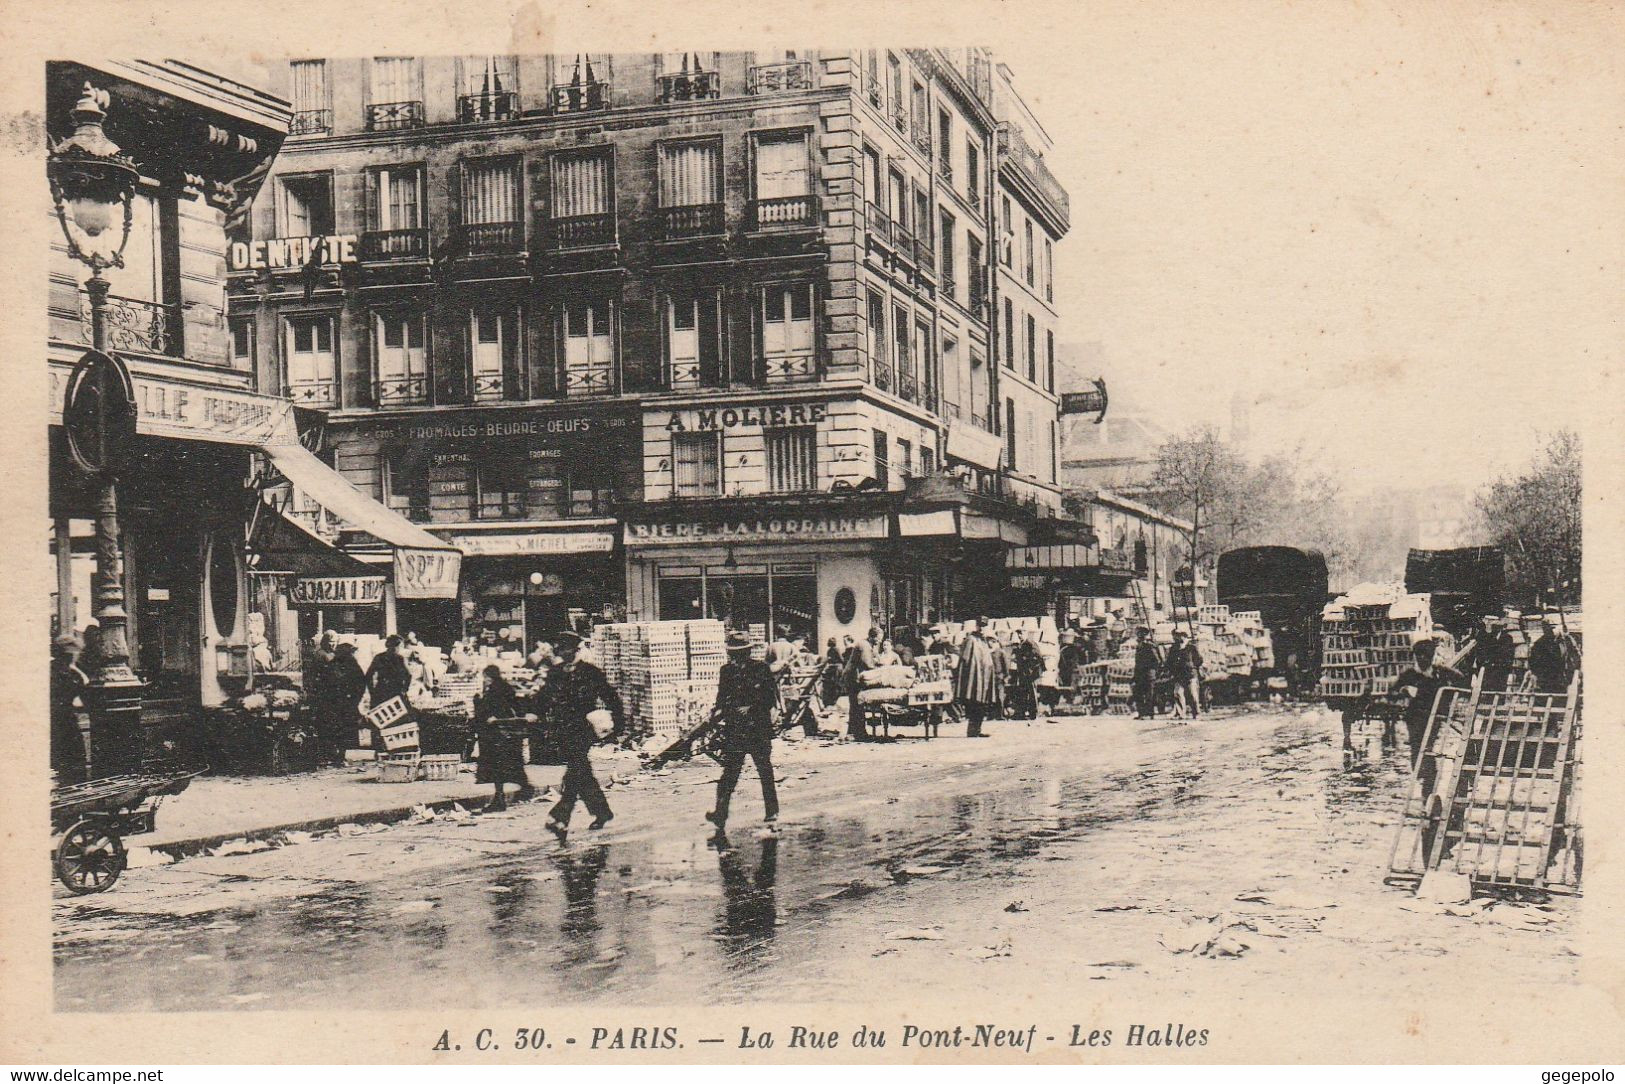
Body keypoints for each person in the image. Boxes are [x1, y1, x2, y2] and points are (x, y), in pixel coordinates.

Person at [544, 630, 625, 838]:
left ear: (575, 649)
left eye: (564, 647)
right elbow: (542, 698)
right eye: (558, 647)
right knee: (581, 772)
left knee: (575, 769)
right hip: (562, 728)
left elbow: (611, 697)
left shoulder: (589, 672)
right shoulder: (556, 672)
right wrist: (533, 713)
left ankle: (560, 816)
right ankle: (602, 812)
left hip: (581, 727)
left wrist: (618, 724)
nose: (560, 650)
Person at [706, 631, 782, 835]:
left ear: (747, 652)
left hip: (758, 729)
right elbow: (722, 698)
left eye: (740, 654)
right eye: (733, 654)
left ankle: (772, 811)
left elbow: (770, 699)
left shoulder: (761, 669)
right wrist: (715, 713)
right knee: (729, 774)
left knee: (765, 771)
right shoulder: (726, 671)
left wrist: (751, 708)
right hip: (736, 731)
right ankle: (720, 814)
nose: (736, 658)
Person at [468, 664, 535, 811]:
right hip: (509, 733)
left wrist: (478, 701)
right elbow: (516, 706)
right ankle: (519, 790)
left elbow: (488, 711)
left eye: (485, 677)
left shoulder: (493, 690)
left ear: (489, 677)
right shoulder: (506, 688)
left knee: (498, 768)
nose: (484, 680)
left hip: (497, 734)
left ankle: (502, 799)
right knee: (512, 766)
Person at [1391, 637, 1466, 767]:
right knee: (1417, 745)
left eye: (1427, 656)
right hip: (1414, 716)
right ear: (1415, 656)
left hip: (1434, 715)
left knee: (1427, 746)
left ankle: (1428, 777)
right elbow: (1393, 692)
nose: (1423, 659)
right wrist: (1405, 690)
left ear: (1432, 656)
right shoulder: (1409, 674)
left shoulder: (1440, 672)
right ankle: (1422, 773)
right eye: (1419, 655)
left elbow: (1461, 680)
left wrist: (1451, 694)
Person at [50, 636, 88, 784]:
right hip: (60, 720)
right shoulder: (65, 673)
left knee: (71, 760)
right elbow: (83, 689)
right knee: (68, 760)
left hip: (65, 720)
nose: (72, 656)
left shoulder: (68, 672)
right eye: (69, 654)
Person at [955, 619, 999, 738]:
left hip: (984, 679)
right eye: (981, 626)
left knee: (982, 704)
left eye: (985, 626)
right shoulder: (971, 640)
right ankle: (972, 730)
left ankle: (977, 729)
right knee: (974, 703)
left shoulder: (984, 641)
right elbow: (965, 660)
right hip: (974, 679)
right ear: (977, 626)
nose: (983, 629)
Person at [329, 641, 368, 746]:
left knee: (346, 725)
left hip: (345, 700)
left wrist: (356, 697)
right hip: (342, 700)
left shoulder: (349, 663)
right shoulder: (341, 664)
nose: (353, 654)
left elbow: (361, 682)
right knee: (345, 725)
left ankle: (345, 748)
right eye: (351, 652)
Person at [1527, 615, 1578, 694]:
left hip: (1560, 679)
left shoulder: (1564, 641)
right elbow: (1533, 661)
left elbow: (1572, 657)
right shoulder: (1540, 643)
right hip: (1547, 679)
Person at [366, 634, 413, 708]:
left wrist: (372, 691)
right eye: (398, 647)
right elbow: (409, 675)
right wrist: (404, 689)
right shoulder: (399, 658)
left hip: (386, 691)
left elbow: (368, 675)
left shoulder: (379, 657)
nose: (397, 649)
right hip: (392, 691)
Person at [1168, 630, 1202, 721]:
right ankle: (1181, 714)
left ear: (1184, 636)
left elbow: (1199, 660)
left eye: (1179, 636)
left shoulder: (1191, 648)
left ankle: (1196, 713)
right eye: (1176, 636)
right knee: (1177, 693)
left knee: (1192, 694)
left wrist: (1192, 667)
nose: (1176, 638)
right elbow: (1169, 661)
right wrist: (1171, 671)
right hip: (1178, 675)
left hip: (1190, 674)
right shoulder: (1174, 648)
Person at [1007, 632, 1042, 720]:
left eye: (1021, 633)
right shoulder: (1022, 645)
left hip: (1030, 674)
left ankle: (1033, 713)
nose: (1019, 636)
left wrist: (1030, 669)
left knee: (1031, 694)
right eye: (1018, 634)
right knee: (1023, 693)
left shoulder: (1029, 644)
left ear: (1026, 634)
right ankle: (1021, 713)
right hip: (1023, 673)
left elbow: (1037, 657)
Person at [1132, 627, 1160, 720]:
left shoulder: (1149, 646)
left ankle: (1150, 713)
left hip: (1148, 673)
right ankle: (1141, 713)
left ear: (1144, 635)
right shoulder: (1138, 646)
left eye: (1141, 634)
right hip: (1139, 674)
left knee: (1149, 694)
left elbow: (1156, 660)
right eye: (1138, 634)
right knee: (1139, 693)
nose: (1139, 636)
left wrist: (1151, 669)